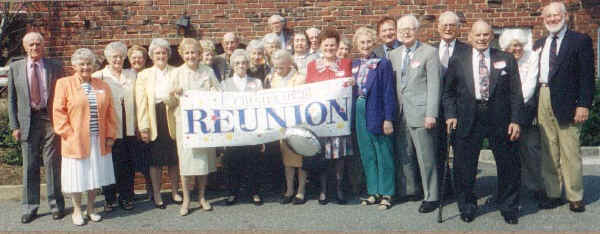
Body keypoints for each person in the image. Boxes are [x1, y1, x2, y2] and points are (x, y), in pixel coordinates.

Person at [443, 20, 524, 224]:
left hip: (500, 117)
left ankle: (508, 206)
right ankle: (467, 206)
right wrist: (450, 115)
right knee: (464, 165)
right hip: (468, 117)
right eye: (477, 35)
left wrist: (515, 119)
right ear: (470, 36)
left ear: (491, 37)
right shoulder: (458, 59)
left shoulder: (505, 58)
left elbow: (516, 93)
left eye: (486, 35)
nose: (481, 38)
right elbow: (448, 93)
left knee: (508, 164)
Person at [535, 1, 595, 213]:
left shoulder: (580, 41)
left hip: (569, 101)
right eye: (548, 16)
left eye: (556, 15)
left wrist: (584, 105)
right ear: (543, 20)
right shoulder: (539, 43)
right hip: (543, 95)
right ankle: (553, 193)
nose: (552, 19)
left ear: (565, 16)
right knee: (548, 149)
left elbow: (587, 76)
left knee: (570, 150)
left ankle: (575, 195)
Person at [53, 48, 117, 225]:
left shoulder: (102, 85)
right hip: (75, 140)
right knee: (77, 176)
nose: (86, 67)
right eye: (81, 64)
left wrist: (111, 135)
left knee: (94, 176)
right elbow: (58, 113)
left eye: (89, 63)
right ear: (74, 66)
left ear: (94, 65)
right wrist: (68, 134)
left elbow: (111, 112)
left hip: (98, 139)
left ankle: (91, 208)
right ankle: (76, 210)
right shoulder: (63, 84)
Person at [7, 32, 65, 224]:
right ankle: (29, 207)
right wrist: (15, 125)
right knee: (30, 166)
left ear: (43, 45)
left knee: (52, 164)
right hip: (27, 122)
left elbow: (64, 95)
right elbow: (12, 100)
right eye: (31, 44)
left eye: (38, 44)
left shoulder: (55, 67)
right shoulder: (15, 68)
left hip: (50, 120)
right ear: (24, 47)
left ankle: (57, 205)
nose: (34, 47)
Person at [389, 15, 442, 213]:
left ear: (417, 30)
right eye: (401, 28)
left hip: (421, 113)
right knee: (405, 154)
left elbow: (434, 85)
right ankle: (411, 190)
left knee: (425, 156)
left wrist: (431, 114)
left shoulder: (429, 52)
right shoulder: (394, 54)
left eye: (410, 28)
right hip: (400, 113)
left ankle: (432, 196)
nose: (405, 32)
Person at [166, 38, 220, 216]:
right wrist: (174, 93)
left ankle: (202, 197)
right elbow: (168, 101)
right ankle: (187, 198)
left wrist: (214, 93)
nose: (191, 56)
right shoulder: (177, 73)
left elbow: (219, 93)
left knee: (204, 161)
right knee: (187, 161)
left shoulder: (208, 71)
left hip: (204, 125)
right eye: (187, 53)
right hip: (185, 124)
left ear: (199, 54)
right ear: (182, 54)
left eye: (194, 52)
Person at [305, 28, 353, 205]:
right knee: (323, 156)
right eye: (326, 45)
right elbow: (308, 90)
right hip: (321, 119)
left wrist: (351, 83)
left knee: (339, 156)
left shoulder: (346, 64)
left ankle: (339, 189)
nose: (329, 48)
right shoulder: (312, 66)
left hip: (339, 118)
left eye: (333, 45)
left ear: (337, 46)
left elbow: (349, 87)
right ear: (321, 46)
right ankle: (324, 190)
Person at [351, 27, 397, 210]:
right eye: (362, 42)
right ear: (356, 44)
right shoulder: (354, 64)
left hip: (377, 111)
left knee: (383, 152)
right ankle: (373, 191)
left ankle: (387, 193)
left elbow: (388, 92)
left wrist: (388, 118)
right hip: (359, 110)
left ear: (374, 43)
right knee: (367, 152)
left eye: (369, 42)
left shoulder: (382, 63)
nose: (365, 45)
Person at [135, 38, 182, 209]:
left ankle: (176, 191)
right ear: (152, 56)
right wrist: (143, 127)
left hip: (172, 116)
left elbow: (180, 98)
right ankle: (156, 193)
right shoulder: (144, 75)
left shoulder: (176, 72)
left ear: (168, 54)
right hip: (154, 118)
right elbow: (141, 103)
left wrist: (170, 99)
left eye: (163, 52)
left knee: (173, 159)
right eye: (157, 53)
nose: (160, 55)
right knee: (155, 161)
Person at [499, 29, 545, 201]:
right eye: (512, 46)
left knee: (531, 149)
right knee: (509, 152)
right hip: (505, 112)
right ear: (506, 47)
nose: (517, 49)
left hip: (527, 110)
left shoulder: (532, 57)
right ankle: (510, 189)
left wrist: (515, 107)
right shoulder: (502, 60)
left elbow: (530, 86)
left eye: (519, 45)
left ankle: (537, 187)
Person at [92, 41, 138, 212]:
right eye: (114, 57)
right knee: (110, 164)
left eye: (120, 56)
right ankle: (110, 198)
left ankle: (126, 197)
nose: (118, 59)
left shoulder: (131, 74)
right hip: (110, 129)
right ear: (107, 58)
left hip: (130, 127)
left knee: (128, 164)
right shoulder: (99, 76)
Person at [432, 10, 470, 198]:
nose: (448, 28)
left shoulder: (467, 50)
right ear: (438, 28)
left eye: (452, 25)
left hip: (459, 110)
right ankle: (443, 191)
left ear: (458, 29)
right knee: (438, 152)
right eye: (444, 25)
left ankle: (463, 191)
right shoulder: (429, 50)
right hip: (436, 110)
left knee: (461, 153)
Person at [221, 49, 265, 206]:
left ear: (248, 65)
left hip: (251, 129)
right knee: (232, 162)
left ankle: (255, 192)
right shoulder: (224, 84)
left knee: (253, 161)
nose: (241, 65)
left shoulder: (256, 83)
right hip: (232, 131)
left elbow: (261, 107)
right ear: (233, 65)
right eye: (237, 63)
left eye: (244, 63)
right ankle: (232, 192)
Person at [266, 49, 308, 205]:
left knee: (300, 157)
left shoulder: (299, 79)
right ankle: (289, 189)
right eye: (275, 67)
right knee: (287, 159)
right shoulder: (272, 79)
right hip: (281, 124)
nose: (278, 70)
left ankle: (301, 190)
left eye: (281, 67)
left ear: (290, 64)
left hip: (298, 123)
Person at [126, 44, 154, 200]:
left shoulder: (149, 75)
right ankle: (128, 193)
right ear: (129, 60)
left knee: (148, 160)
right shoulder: (125, 76)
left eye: (140, 57)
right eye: (134, 57)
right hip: (129, 125)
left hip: (146, 123)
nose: (137, 60)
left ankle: (151, 190)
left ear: (145, 59)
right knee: (129, 160)